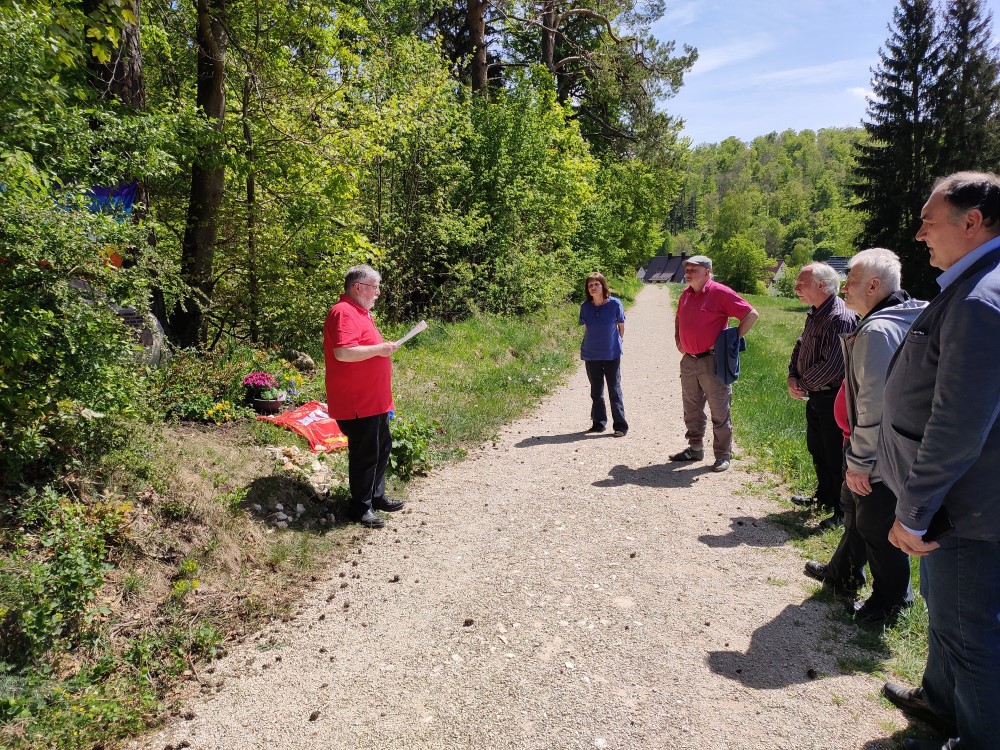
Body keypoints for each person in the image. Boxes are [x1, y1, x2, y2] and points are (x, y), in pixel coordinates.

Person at [877, 172, 1000, 750]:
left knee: (969, 636)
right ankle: (941, 701)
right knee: (947, 618)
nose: (919, 231)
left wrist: (916, 509)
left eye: (930, 219)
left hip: (964, 509)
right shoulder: (972, 284)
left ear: (971, 222)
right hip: (957, 504)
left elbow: (957, 422)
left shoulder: (980, 300)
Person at [802, 249, 925, 625]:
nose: (845, 288)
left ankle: (890, 602)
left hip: (878, 452)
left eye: (851, 280)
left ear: (874, 284)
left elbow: (873, 404)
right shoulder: (907, 314)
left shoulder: (876, 330)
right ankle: (843, 571)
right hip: (886, 445)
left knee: (874, 524)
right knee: (855, 514)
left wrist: (860, 462)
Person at [324, 264, 403, 529]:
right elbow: (343, 353)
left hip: (375, 400)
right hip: (358, 401)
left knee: (382, 447)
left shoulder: (361, 313)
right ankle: (360, 507)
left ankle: (375, 497)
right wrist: (380, 348)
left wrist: (380, 350)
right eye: (374, 287)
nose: (378, 293)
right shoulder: (343, 312)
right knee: (365, 453)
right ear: (358, 287)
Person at [670, 255, 758, 472]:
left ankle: (722, 455)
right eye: (687, 269)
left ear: (707, 272)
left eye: (694, 269)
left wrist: (733, 338)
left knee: (719, 409)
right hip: (689, 361)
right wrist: (677, 338)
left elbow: (751, 314)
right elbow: (679, 317)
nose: (688, 273)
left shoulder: (720, 292)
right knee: (691, 408)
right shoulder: (686, 294)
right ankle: (695, 448)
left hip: (713, 360)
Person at [786, 263, 857, 528]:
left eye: (801, 282)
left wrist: (802, 383)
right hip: (816, 396)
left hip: (832, 397)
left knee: (836, 454)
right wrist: (793, 375)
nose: (796, 287)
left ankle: (841, 511)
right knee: (818, 449)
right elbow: (800, 344)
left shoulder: (840, 317)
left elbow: (834, 365)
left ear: (823, 286)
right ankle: (824, 498)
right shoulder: (816, 313)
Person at [579, 272, 628, 436]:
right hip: (591, 354)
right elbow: (586, 329)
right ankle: (599, 423)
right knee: (596, 391)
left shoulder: (615, 304)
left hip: (611, 354)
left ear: (603, 285)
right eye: (590, 285)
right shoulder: (585, 307)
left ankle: (620, 426)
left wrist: (618, 342)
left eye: (596, 284)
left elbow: (621, 326)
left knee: (614, 390)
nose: (593, 287)